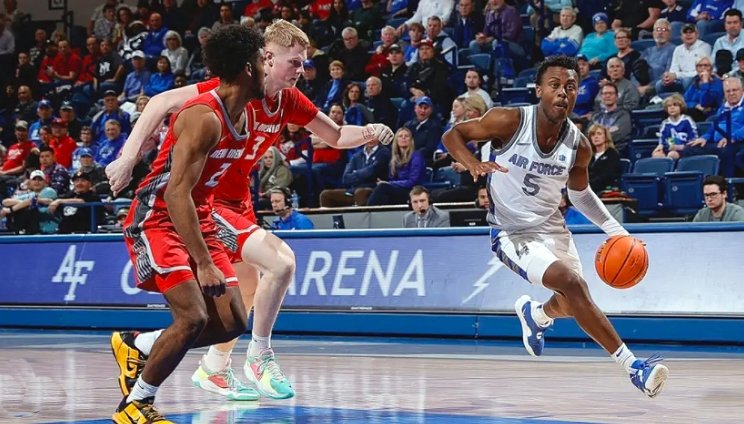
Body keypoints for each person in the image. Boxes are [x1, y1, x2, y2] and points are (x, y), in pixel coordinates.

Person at [106, 19, 393, 403]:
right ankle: (260, 356)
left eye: (305, 62)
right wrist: (127, 158)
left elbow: (337, 136)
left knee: (247, 293)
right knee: (281, 263)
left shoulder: (287, 99)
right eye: (294, 62)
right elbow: (159, 102)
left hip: (236, 201)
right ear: (266, 59)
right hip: (206, 201)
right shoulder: (232, 89)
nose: (302, 71)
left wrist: (370, 131)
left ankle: (211, 367)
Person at [442, 55, 669, 398]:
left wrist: (616, 231)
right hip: (511, 231)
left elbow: (580, 195)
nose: (563, 92)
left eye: (571, 86)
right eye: (555, 85)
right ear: (539, 90)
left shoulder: (579, 145)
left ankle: (538, 315)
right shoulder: (509, 120)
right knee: (572, 284)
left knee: (573, 297)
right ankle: (634, 368)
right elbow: (452, 135)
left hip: (553, 228)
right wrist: (472, 163)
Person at [110, 25, 266, 423]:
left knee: (232, 322)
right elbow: (176, 194)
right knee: (193, 317)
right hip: (158, 218)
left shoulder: (245, 114)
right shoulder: (203, 118)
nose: (268, 70)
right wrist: (205, 261)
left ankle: (138, 343)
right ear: (249, 68)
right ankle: (136, 405)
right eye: (265, 62)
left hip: (198, 218)